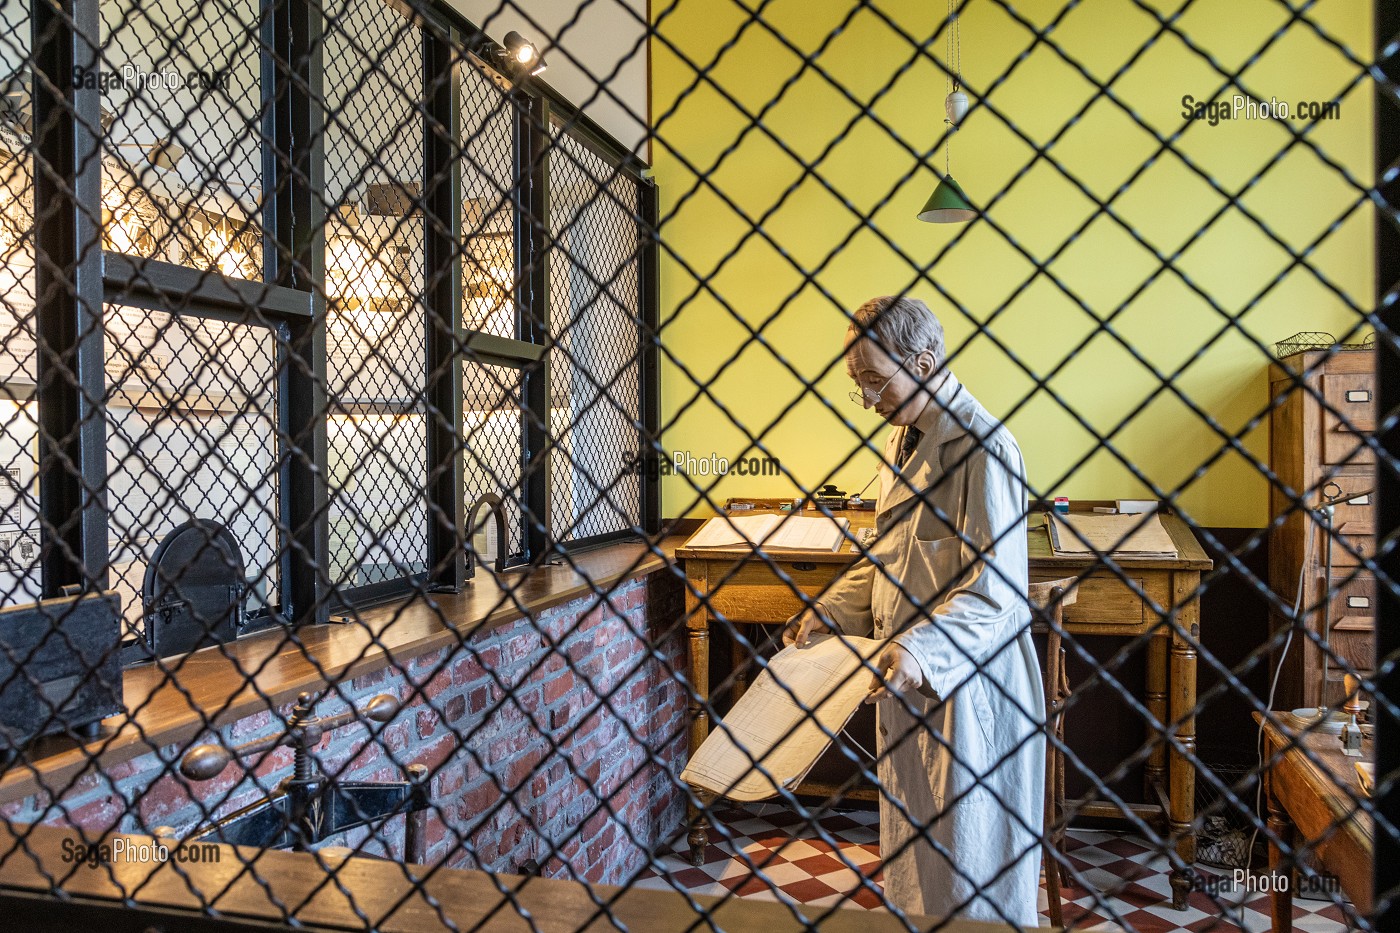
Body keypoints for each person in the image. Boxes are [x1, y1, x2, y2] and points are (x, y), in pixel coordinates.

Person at [783, 295, 1045, 926]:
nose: (869, 400)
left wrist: (919, 652)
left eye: (876, 381)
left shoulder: (983, 447)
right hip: (908, 680)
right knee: (918, 875)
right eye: (859, 385)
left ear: (923, 362)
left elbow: (997, 592)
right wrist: (832, 610)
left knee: (973, 876)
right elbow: (887, 557)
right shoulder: (903, 439)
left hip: (968, 690)